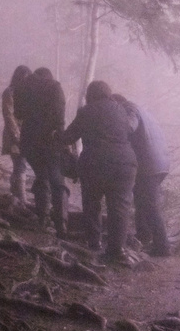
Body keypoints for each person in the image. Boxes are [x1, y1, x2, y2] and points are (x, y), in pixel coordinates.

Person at [63, 80, 137, 264]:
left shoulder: (86, 112)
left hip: (94, 164)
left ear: (90, 95)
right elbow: (131, 128)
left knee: (92, 203)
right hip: (124, 164)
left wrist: (55, 136)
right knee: (119, 207)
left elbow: (69, 136)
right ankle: (116, 250)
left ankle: (94, 243)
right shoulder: (121, 110)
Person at [112, 93, 171, 256]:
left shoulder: (129, 108)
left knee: (150, 205)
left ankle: (163, 246)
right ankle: (143, 237)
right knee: (141, 200)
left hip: (148, 164)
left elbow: (130, 126)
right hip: (158, 162)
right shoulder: (143, 111)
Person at [18, 67, 68, 238]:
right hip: (51, 141)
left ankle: (42, 218)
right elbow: (60, 118)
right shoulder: (55, 88)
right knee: (56, 180)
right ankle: (61, 224)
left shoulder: (25, 87)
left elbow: (18, 112)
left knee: (41, 176)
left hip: (30, 141)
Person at [1, 65, 31, 203]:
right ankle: (22, 201)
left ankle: (15, 195)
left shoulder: (29, 93)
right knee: (20, 165)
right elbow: (8, 115)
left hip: (26, 134)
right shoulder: (9, 92)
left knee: (19, 166)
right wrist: (17, 135)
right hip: (15, 136)